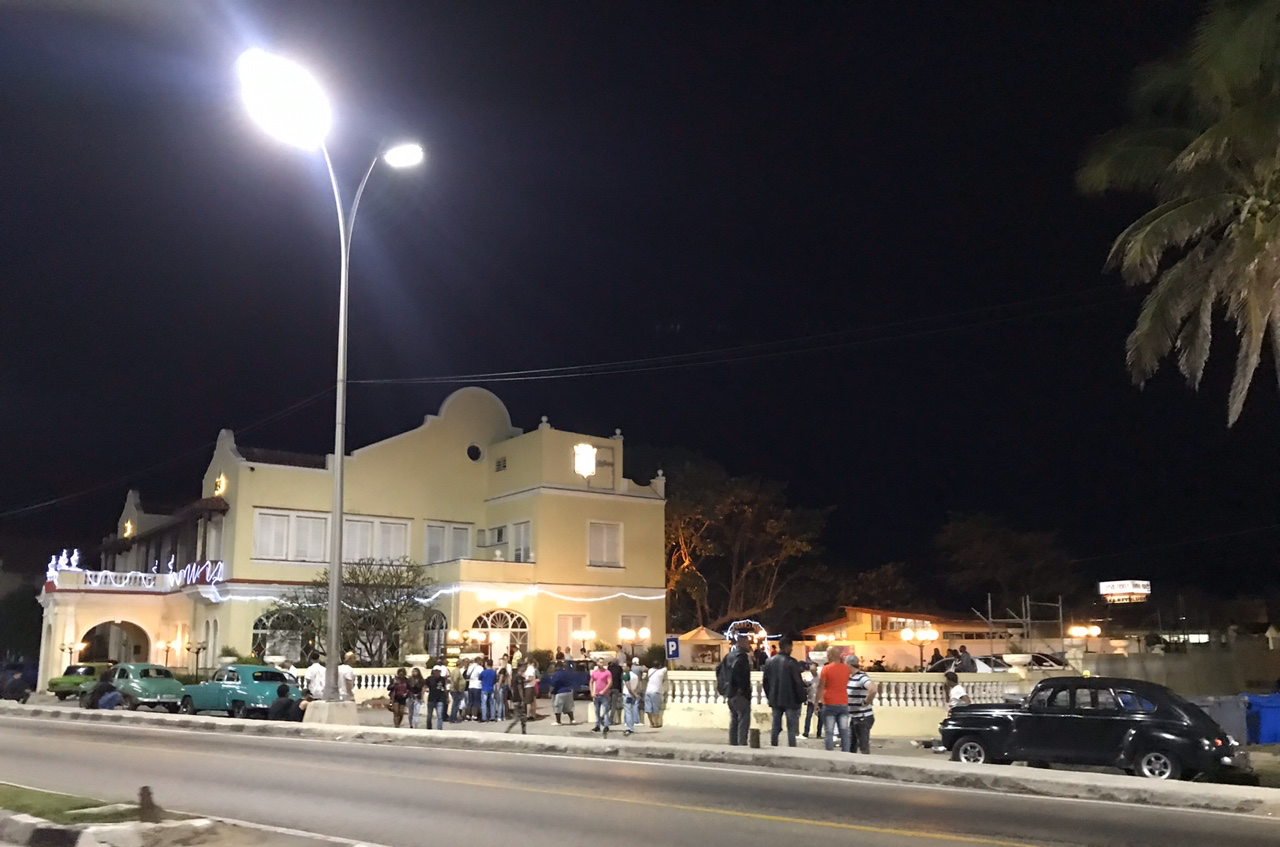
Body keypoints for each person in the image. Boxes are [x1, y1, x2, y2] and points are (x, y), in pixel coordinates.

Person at [762, 637, 805, 747]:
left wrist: (769, 696)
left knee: (775, 725)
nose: (792, 649)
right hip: (791, 699)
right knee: (791, 728)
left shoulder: (769, 661)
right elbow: (797, 682)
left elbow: (765, 682)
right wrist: (801, 698)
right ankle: (791, 748)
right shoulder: (792, 662)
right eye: (791, 647)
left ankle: (774, 746)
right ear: (787, 647)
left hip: (775, 698)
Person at [815, 646, 851, 752]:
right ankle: (846, 753)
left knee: (829, 732)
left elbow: (821, 686)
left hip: (829, 703)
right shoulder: (846, 669)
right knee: (844, 731)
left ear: (830, 655)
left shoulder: (826, 669)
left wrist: (816, 702)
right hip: (843, 702)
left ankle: (830, 755)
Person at [723, 631, 754, 746]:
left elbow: (720, 671)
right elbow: (741, 675)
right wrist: (743, 689)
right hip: (740, 693)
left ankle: (733, 743)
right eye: (747, 642)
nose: (749, 645)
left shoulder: (728, 656)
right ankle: (741, 744)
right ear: (741, 642)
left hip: (730, 692)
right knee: (743, 720)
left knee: (734, 720)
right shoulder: (741, 657)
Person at [845, 653, 878, 754]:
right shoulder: (851, 678)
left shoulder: (861, 677)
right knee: (851, 746)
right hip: (854, 717)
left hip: (862, 717)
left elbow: (873, 689)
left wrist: (865, 702)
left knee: (863, 746)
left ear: (849, 665)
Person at [590, 657, 613, 737]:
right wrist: (592, 692)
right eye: (600, 662)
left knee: (605, 711)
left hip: (604, 695)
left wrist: (604, 690)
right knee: (597, 711)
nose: (601, 664)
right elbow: (591, 682)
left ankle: (606, 725)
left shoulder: (607, 672)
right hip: (596, 694)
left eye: (602, 662)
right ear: (597, 663)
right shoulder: (594, 673)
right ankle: (597, 725)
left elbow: (610, 683)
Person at [622, 659, 644, 736]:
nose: (623, 668)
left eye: (624, 666)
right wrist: (636, 694)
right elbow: (637, 686)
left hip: (627, 695)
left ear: (628, 667)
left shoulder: (626, 675)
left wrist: (635, 694)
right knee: (631, 710)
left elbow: (629, 687)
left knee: (628, 712)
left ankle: (629, 728)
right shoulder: (635, 676)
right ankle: (632, 726)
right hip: (632, 695)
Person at [644, 659, 667, 728]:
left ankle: (651, 723)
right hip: (656, 692)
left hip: (648, 691)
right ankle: (656, 723)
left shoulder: (650, 670)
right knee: (655, 709)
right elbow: (666, 668)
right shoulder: (661, 672)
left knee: (648, 709)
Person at [801, 662, 820, 738]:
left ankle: (819, 733)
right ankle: (806, 732)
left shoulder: (820, 677)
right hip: (811, 699)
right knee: (808, 716)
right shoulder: (807, 678)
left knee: (820, 717)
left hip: (819, 699)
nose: (813, 672)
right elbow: (804, 688)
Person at [465, 656, 485, 720]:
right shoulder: (480, 668)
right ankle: (474, 715)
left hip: (470, 686)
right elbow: (482, 676)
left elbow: (467, 674)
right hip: (477, 686)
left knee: (470, 701)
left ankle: (468, 715)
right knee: (476, 701)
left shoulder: (470, 667)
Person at [608, 651, 624, 726]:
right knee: (614, 705)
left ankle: (604, 717)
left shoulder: (609, 668)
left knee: (608, 704)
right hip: (616, 688)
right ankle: (610, 720)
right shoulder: (619, 668)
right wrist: (621, 690)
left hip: (609, 688)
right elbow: (620, 679)